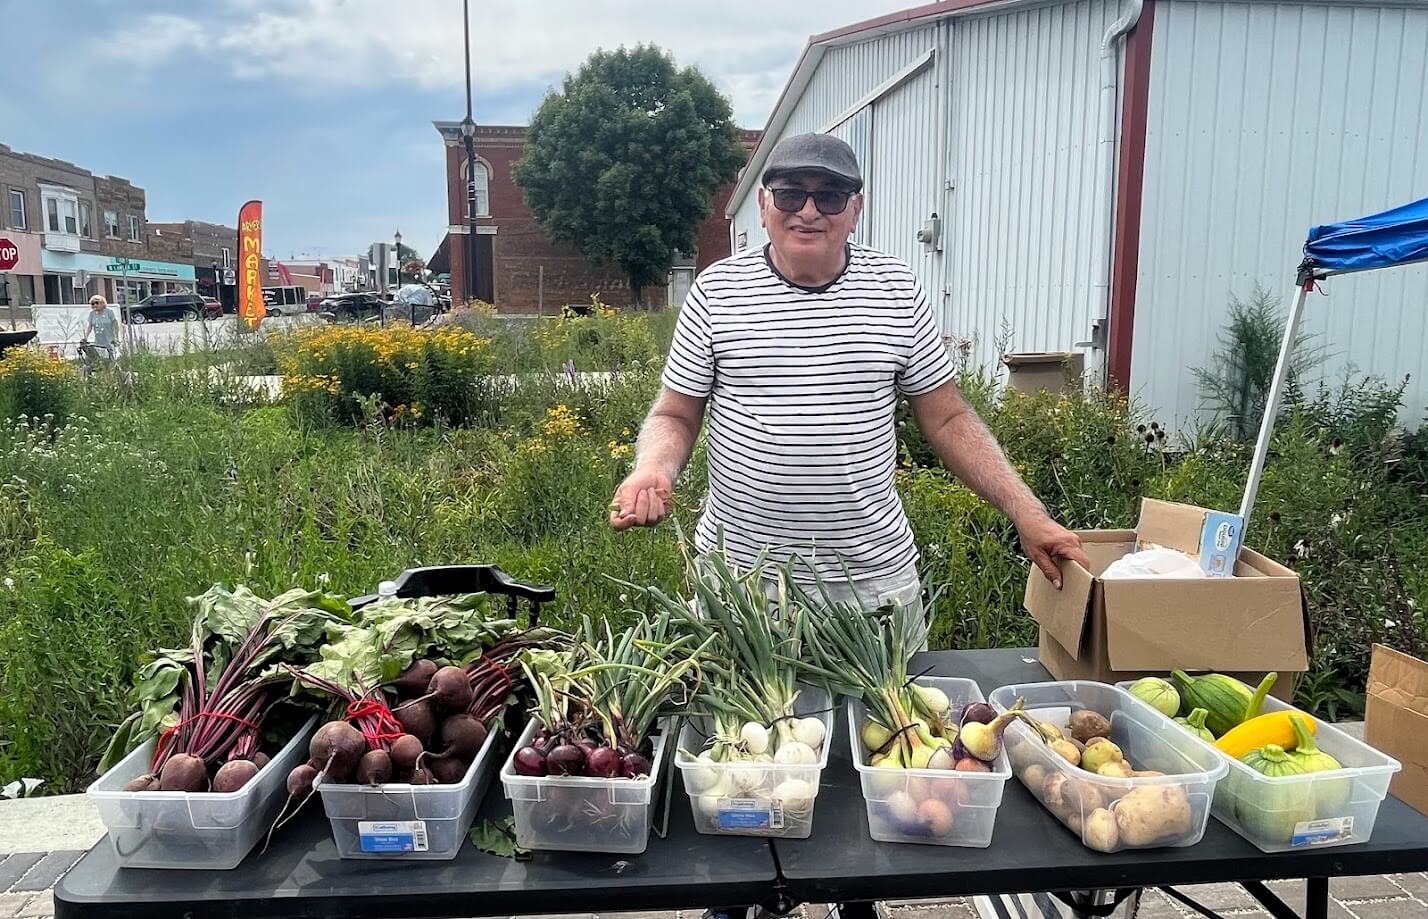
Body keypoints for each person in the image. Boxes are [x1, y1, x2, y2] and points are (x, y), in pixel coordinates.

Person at [609, 133, 1090, 919]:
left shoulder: (896, 292)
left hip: (872, 590)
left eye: (829, 195)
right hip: (742, 591)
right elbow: (674, 413)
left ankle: (856, 895)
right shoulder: (718, 295)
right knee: (749, 759)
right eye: (790, 192)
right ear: (762, 204)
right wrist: (654, 468)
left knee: (868, 770)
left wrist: (1028, 513)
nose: (808, 209)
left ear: (855, 209)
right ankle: (742, 899)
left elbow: (948, 415)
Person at [80, 294, 121, 372]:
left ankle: (113, 371)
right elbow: (90, 326)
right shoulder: (92, 314)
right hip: (99, 339)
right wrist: (85, 337)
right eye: (93, 303)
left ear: (102, 303)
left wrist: (116, 336)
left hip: (109, 338)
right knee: (100, 357)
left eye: (97, 303)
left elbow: (115, 324)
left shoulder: (109, 312)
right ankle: (103, 370)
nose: (95, 305)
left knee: (112, 357)